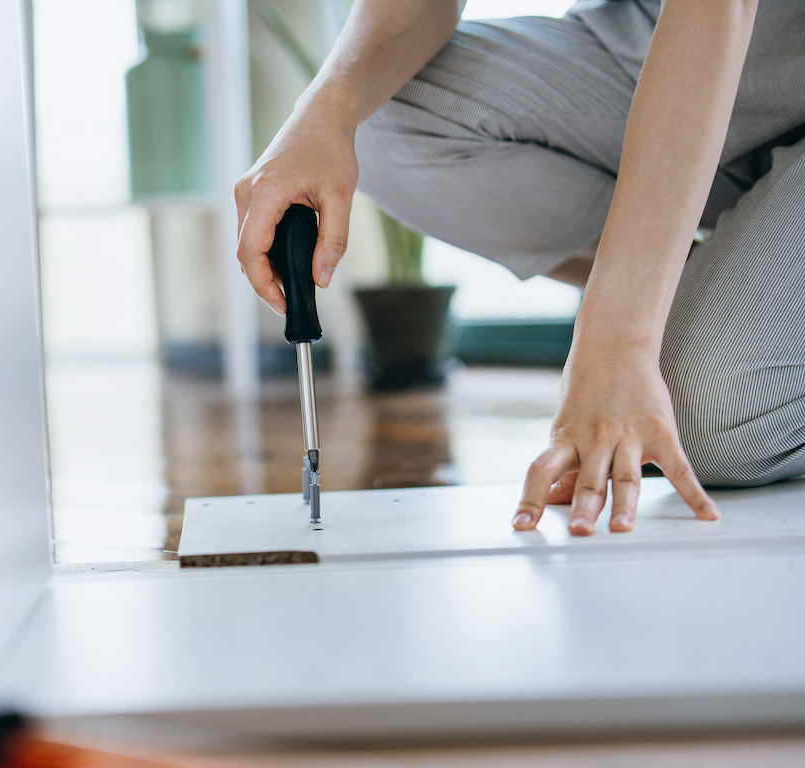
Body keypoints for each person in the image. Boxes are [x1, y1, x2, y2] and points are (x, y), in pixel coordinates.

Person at [234, 0, 805, 535]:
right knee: (374, 113)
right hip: (653, 38)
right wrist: (323, 110)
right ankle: (743, 274)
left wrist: (619, 339)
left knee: (699, 414)